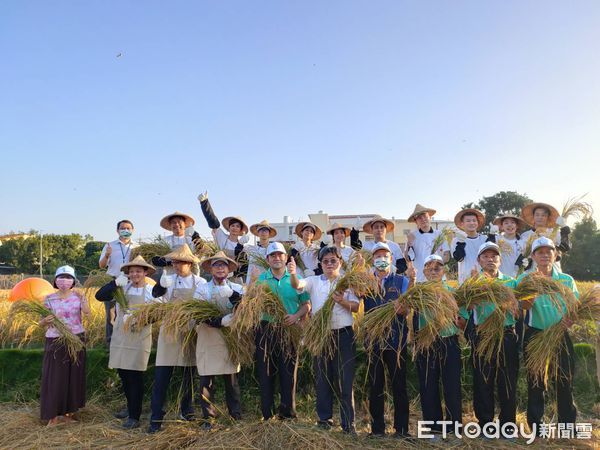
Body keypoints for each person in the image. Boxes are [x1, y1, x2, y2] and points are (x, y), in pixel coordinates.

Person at [289, 246, 360, 434]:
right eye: (326, 261)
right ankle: (324, 419)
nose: (329, 264)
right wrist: (293, 273)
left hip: (344, 334)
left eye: (333, 260)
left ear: (340, 262)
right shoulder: (313, 281)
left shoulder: (347, 283)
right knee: (323, 378)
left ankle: (348, 424)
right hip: (321, 335)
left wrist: (342, 301)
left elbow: (356, 307)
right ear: (320, 264)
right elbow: (297, 285)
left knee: (345, 380)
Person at [516, 237, 579, 435]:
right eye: (540, 252)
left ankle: (567, 427)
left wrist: (569, 320)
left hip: (560, 333)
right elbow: (521, 309)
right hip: (536, 334)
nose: (544, 255)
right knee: (536, 382)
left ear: (555, 254)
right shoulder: (526, 280)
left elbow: (575, 307)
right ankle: (537, 428)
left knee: (564, 380)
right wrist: (531, 294)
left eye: (548, 251)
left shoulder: (566, 280)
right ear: (533, 256)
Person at [148, 244, 207, 433]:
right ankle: (156, 417)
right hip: (169, 331)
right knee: (162, 376)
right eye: (174, 262)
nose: (176, 265)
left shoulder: (200, 283)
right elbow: (157, 299)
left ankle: (187, 411)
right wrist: (159, 289)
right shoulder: (168, 280)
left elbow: (200, 304)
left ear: (189, 263)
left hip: (189, 330)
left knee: (188, 374)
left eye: (180, 262)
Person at [95, 256, 158, 429]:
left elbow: (158, 313)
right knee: (123, 373)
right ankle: (130, 408)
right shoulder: (123, 287)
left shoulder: (151, 290)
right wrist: (115, 283)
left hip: (139, 336)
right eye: (131, 271)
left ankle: (134, 416)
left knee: (135, 376)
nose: (135, 274)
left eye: (139, 271)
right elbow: (99, 296)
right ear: (127, 274)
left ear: (145, 272)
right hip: (121, 336)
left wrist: (140, 320)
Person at [363, 242, 414, 438]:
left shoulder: (400, 280)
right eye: (377, 256)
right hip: (373, 340)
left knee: (399, 385)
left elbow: (407, 308)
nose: (381, 259)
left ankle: (402, 430)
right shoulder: (366, 281)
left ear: (391, 259)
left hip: (396, 340)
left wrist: (401, 306)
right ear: (372, 260)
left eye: (385, 256)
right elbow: (355, 296)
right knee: (375, 385)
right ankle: (377, 430)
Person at [255, 242, 310, 421]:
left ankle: (287, 413)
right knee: (266, 371)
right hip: (266, 329)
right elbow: (252, 304)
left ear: (286, 258)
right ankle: (267, 413)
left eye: (280, 255)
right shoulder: (261, 280)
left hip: (289, 329)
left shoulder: (296, 278)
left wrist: (295, 316)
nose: (277, 258)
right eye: (273, 256)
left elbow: (306, 304)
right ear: (268, 260)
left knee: (288, 373)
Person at [469, 243, 519, 432]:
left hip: (506, 333)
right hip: (482, 334)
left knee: (507, 380)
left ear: (500, 260)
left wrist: (512, 307)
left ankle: (507, 425)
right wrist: (473, 293)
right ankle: (485, 425)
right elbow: (466, 310)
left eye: (494, 256)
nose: (490, 259)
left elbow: (518, 312)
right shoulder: (473, 282)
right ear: (479, 260)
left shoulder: (511, 282)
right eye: (486, 256)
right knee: (483, 380)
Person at [192, 251, 244, 429]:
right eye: (216, 265)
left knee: (231, 378)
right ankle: (209, 417)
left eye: (223, 265)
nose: (220, 268)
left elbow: (244, 308)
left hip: (229, 337)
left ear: (229, 269)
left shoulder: (237, 288)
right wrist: (218, 321)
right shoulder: (202, 289)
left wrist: (232, 296)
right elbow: (197, 312)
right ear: (211, 269)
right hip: (207, 335)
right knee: (207, 379)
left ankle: (235, 415)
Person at [416, 254, 462, 435]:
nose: (434, 271)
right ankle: (434, 428)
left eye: (437, 268)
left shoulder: (453, 289)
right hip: (426, 342)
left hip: (449, 340)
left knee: (452, 386)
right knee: (428, 385)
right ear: (424, 271)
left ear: (444, 271)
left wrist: (456, 319)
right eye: (430, 268)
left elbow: (462, 317)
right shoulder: (418, 291)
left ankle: (453, 428)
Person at [39, 266, 90, 425]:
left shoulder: (78, 297)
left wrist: (84, 300)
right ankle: (52, 416)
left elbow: (88, 314)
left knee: (73, 377)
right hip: (56, 340)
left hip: (76, 339)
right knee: (55, 377)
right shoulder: (48, 299)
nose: (64, 281)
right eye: (61, 277)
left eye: (68, 277)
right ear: (55, 280)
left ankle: (67, 413)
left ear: (73, 281)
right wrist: (44, 322)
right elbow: (41, 323)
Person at [98, 219, 139, 344]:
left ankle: (128, 339)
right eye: (122, 228)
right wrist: (107, 255)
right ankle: (110, 342)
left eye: (128, 228)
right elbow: (101, 265)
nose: (125, 230)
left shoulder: (137, 246)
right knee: (110, 313)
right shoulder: (109, 245)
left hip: (130, 281)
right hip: (113, 281)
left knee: (128, 311)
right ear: (117, 230)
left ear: (133, 230)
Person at [198, 191, 250, 280]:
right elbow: (214, 222)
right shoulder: (222, 237)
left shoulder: (242, 246)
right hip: (218, 273)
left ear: (241, 230)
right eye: (232, 225)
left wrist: (241, 247)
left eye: (237, 226)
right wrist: (204, 203)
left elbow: (244, 266)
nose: (234, 228)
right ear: (229, 228)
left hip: (234, 278)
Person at [405, 204, 450, 282]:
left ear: (430, 217)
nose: (423, 219)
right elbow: (407, 258)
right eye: (419, 218)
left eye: (425, 216)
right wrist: (409, 244)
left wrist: (435, 265)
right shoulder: (412, 236)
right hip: (420, 279)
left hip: (438, 279)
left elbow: (447, 255)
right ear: (416, 222)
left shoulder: (439, 234)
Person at [520, 202, 571, 269]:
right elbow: (521, 254)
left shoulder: (555, 232)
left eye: (543, 215)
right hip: (532, 271)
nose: (540, 217)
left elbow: (565, 247)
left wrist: (564, 228)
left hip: (553, 269)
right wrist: (524, 262)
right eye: (537, 215)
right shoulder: (525, 235)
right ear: (533, 216)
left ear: (547, 217)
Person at [451, 208, 487, 284]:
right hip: (465, 281)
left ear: (478, 223)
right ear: (462, 224)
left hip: (484, 280)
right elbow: (459, 258)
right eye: (468, 221)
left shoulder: (485, 239)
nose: (471, 223)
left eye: (474, 220)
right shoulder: (456, 240)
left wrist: (493, 235)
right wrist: (461, 242)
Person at [245, 220, 277, 284]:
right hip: (253, 282)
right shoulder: (251, 249)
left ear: (269, 233)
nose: (263, 232)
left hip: (269, 282)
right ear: (258, 233)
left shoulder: (274, 250)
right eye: (261, 230)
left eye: (266, 230)